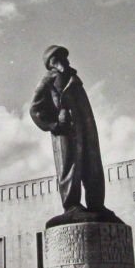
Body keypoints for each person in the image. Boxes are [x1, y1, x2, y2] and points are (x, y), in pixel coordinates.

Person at [30, 45, 106, 216]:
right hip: (66, 132)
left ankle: (96, 204)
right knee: (70, 165)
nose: (65, 60)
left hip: (86, 129)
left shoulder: (74, 79)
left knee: (92, 164)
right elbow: (35, 109)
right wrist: (54, 124)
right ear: (52, 62)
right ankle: (71, 205)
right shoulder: (48, 80)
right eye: (59, 58)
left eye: (65, 57)